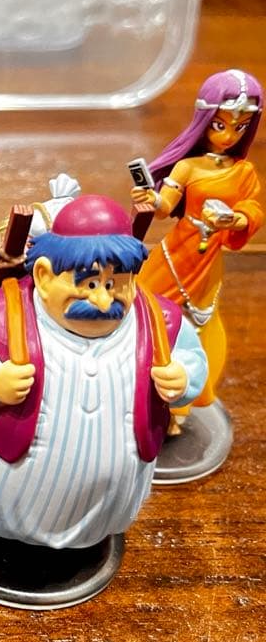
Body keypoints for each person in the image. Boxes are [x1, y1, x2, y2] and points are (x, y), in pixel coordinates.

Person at [0, 195, 207, 548]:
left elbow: (193, 358)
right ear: (44, 275)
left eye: (115, 284)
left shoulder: (160, 321)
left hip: (104, 505)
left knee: (90, 534)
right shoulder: (0, 315)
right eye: (89, 284)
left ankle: (85, 538)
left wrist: (183, 377)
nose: (103, 301)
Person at [131, 69, 263, 433]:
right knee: (149, 312)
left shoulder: (244, 172)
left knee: (201, 325)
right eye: (220, 125)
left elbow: (253, 209)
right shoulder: (188, 166)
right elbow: (165, 206)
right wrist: (150, 198)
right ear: (204, 121)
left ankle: (181, 405)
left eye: (240, 127)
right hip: (177, 253)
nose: (228, 135)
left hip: (209, 259)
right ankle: (140, 388)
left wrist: (234, 219)